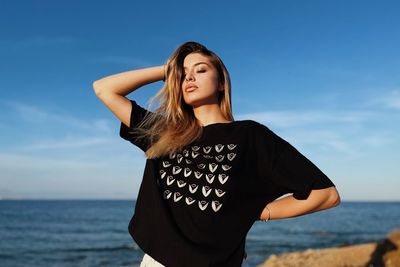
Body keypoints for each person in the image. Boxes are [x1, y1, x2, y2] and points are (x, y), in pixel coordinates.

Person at [92, 41, 341, 267]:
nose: (189, 78)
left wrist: (261, 212)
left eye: (200, 70)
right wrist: (167, 69)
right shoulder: (164, 132)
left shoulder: (250, 136)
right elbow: (104, 89)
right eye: (183, 74)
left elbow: (326, 194)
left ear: (221, 82)